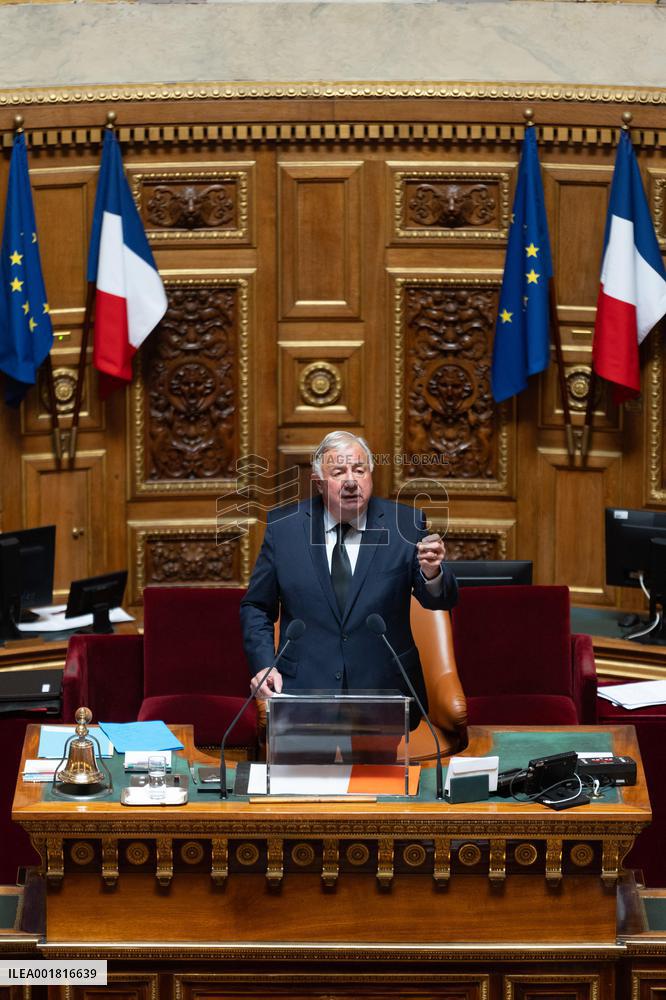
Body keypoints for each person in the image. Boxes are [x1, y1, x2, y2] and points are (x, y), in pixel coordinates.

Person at [239, 431, 458, 728]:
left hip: (383, 693)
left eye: (359, 469)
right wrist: (265, 665)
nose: (351, 481)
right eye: (339, 472)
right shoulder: (285, 529)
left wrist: (431, 573)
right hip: (303, 693)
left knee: (378, 777)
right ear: (318, 483)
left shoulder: (405, 523)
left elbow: (439, 599)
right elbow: (256, 607)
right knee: (307, 776)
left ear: (371, 474)